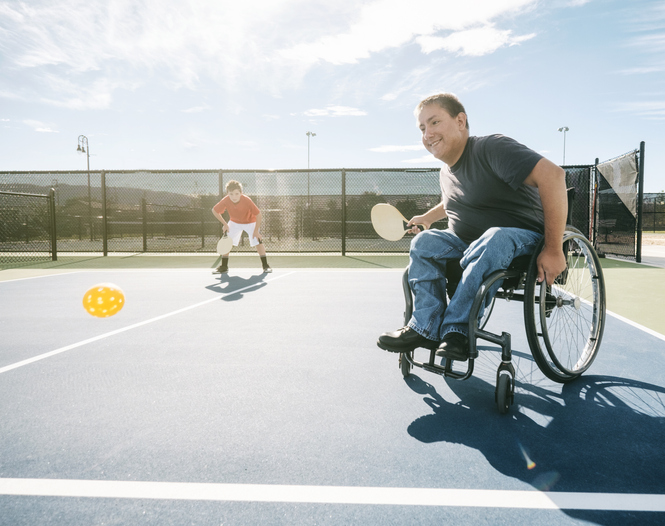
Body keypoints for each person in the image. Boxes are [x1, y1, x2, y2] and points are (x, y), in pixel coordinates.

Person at [377, 93, 568, 361]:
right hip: (469, 244)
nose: (427, 133)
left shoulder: (492, 148)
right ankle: (426, 327)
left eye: (434, 123)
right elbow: (454, 200)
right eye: (422, 128)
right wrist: (429, 218)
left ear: (460, 121)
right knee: (424, 242)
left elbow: (554, 176)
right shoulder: (446, 172)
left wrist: (553, 248)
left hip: (522, 242)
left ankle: (457, 331)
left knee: (494, 237)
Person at [211, 180, 272, 274]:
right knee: (227, 241)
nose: (234, 196)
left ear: (241, 193)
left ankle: (265, 266)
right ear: (227, 194)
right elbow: (214, 210)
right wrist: (225, 224)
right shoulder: (226, 200)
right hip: (234, 222)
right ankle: (224, 267)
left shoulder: (247, 200)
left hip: (250, 222)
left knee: (258, 240)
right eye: (231, 194)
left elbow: (258, 214)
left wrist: (256, 231)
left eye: (236, 193)